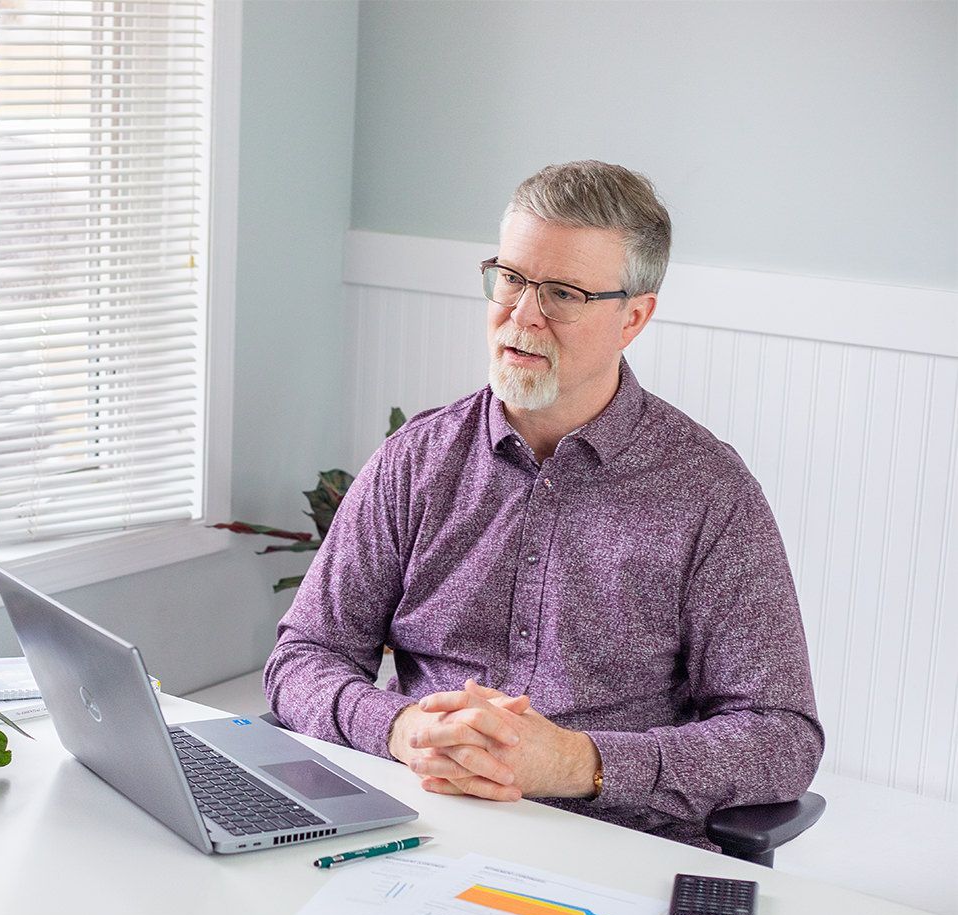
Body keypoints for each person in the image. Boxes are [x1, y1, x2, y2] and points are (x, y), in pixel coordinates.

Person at [264, 161, 823, 850]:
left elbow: (780, 738)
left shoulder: (710, 493)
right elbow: (304, 658)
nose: (522, 316)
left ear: (633, 318)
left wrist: (577, 763)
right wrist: (404, 730)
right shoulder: (416, 461)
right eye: (512, 278)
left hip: (618, 850)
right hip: (418, 829)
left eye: (562, 293)